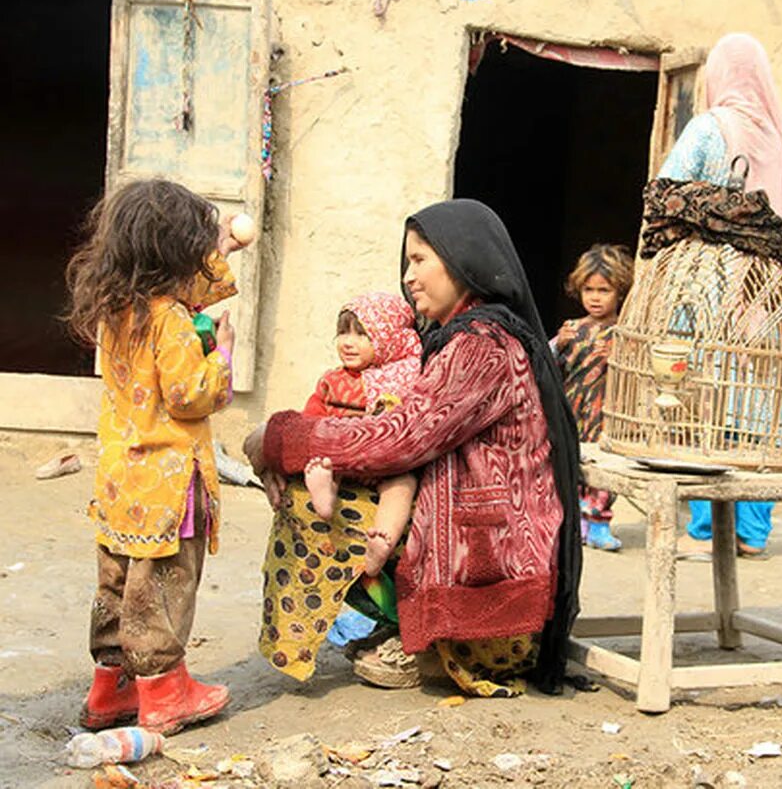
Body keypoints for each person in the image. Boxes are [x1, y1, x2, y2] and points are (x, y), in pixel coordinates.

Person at [244, 199, 581, 697]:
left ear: (463, 259)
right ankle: (413, 630)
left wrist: (279, 439)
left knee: (307, 497)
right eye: (408, 262)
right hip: (479, 570)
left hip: (494, 604)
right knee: (322, 478)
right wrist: (302, 451)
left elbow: (398, 438)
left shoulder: (482, 347)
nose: (409, 277)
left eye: (421, 259)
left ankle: (424, 641)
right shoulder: (459, 337)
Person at [65, 179, 242, 735]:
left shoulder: (118, 307)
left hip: (122, 483)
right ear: (176, 254)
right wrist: (224, 359)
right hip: (168, 484)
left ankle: (110, 690)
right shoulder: (170, 319)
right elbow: (190, 396)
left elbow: (200, 290)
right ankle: (165, 692)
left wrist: (226, 249)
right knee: (162, 587)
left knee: (118, 584)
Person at [659, 32, 782, 560]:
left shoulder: (708, 128)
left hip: (709, 281)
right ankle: (753, 531)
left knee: (702, 399)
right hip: (767, 288)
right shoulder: (780, 139)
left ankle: (705, 530)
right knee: (756, 405)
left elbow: (668, 191)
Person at [301, 293, 422, 577]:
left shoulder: (409, 377)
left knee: (401, 485)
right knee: (324, 460)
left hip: (385, 463)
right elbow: (311, 417)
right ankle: (325, 493)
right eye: (342, 332)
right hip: (340, 454)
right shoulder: (333, 380)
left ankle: (382, 539)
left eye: (362, 334)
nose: (347, 342)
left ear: (388, 339)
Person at [551, 244, 634, 551]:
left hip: (605, 414)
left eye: (604, 290)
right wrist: (559, 346)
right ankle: (577, 521)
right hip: (572, 412)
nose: (595, 297)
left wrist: (620, 358)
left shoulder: (624, 335)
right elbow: (546, 366)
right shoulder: (571, 329)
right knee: (571, 466)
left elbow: (640, 375)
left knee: (602, 469)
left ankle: (599, 522)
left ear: (620, 292)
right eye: (589, 289)